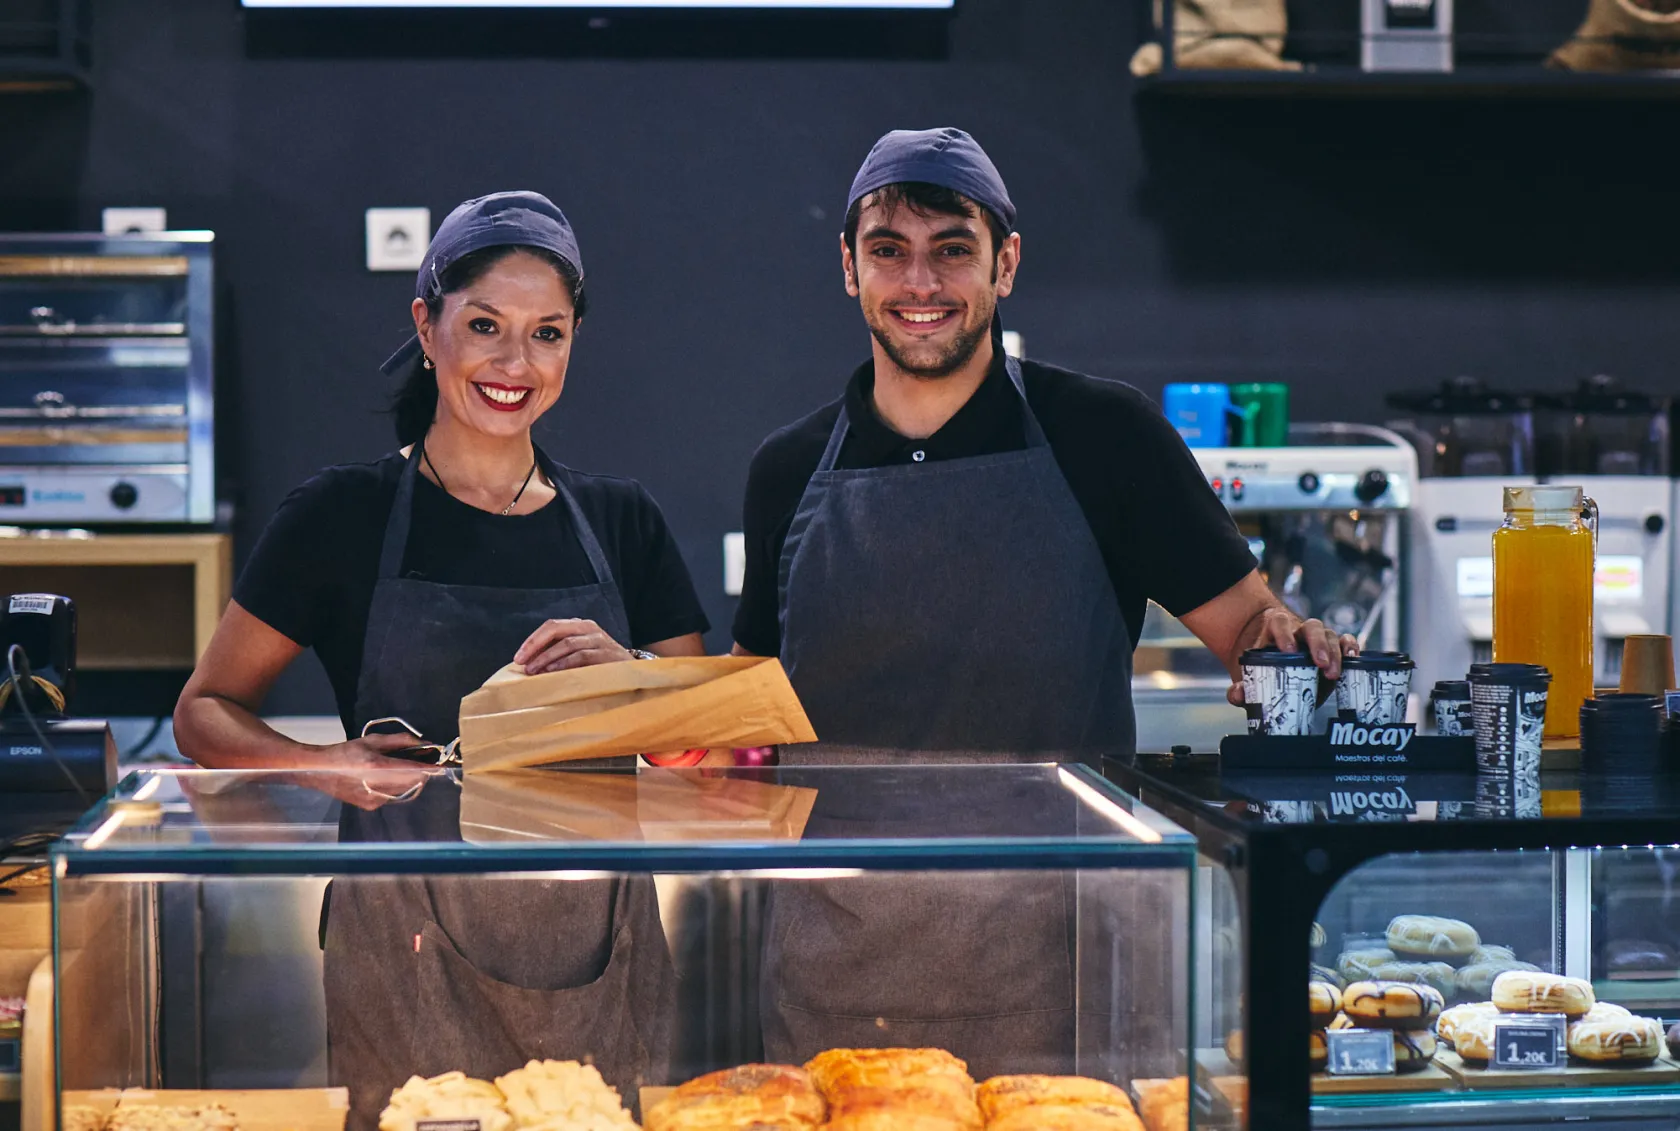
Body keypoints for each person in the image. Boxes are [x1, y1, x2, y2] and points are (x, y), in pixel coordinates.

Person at [736, 128, 1356, 1074]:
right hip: (836, 960)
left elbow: (1250, 632)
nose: (920, 282)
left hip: (1064, 968)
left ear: (1006, 263)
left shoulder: (1107, 437)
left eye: (953, 248)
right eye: (888, 251)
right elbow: (747, 704)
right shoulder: (786, 469)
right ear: (849, 268)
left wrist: (1282, 636)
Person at [174, 191, 708, 1129]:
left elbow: (701, 755)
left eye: (547, 333)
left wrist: (632, 678)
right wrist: (321, 765)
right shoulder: (340, 516)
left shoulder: (625, 521)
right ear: (427, 326)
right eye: (485, 326)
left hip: (599, 951)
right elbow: (204, 712)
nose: (515, 364)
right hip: (401, 948)